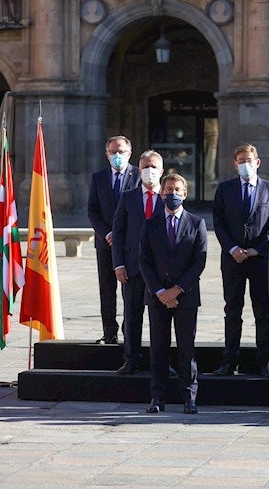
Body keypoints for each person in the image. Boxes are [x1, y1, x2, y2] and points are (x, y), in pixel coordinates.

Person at [210, 144, 269, 377]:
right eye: (241, 160)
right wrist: (233, 248)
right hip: (233, 259)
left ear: (258, 162)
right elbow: (218, 223)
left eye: (249, 159)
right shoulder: (224, 190)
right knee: (232, 310)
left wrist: (256, 250)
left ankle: (265, 361)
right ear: (234, 164)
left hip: (260, 260)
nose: (245, 164)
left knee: (262, 311)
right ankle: (229, 361)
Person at [139, 172, 207, 414]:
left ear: (185, 194)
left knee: (186, 348)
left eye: (177, 190)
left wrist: (176, 291)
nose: (173, 194)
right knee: (159, 348)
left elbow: (199, 261)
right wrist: (160, 291)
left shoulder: (197, 223)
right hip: (157, 298)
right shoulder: (150, 224)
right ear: (161, 193)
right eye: (168, 190)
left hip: (185, 297)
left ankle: (190, 397)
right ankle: (157, 398)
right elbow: (144, 262)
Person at [110, 149, 161, 376]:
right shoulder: (128, 196)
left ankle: (160, 360)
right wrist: (118, 264)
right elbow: (118, 233)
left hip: (161, 270)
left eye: (153, 166)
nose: (149, 171)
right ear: (138, 169)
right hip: (132, 267)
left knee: (160, 317)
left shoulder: (169, 196)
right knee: (132, 315)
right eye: (145, 166)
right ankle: (131, 359)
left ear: (161, 170)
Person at [86, 135, 138, 347]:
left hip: (130, 244)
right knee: (107, 289)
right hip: (106, 242)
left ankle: (130, 330)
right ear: (106, 154)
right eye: (113, 152)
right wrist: (107, 233)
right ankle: (109, 332)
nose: (117, 156)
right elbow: (92, 210)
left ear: (129, 153)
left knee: (131, 290)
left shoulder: (138, 176)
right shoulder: (99, 178)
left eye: (121, 152)